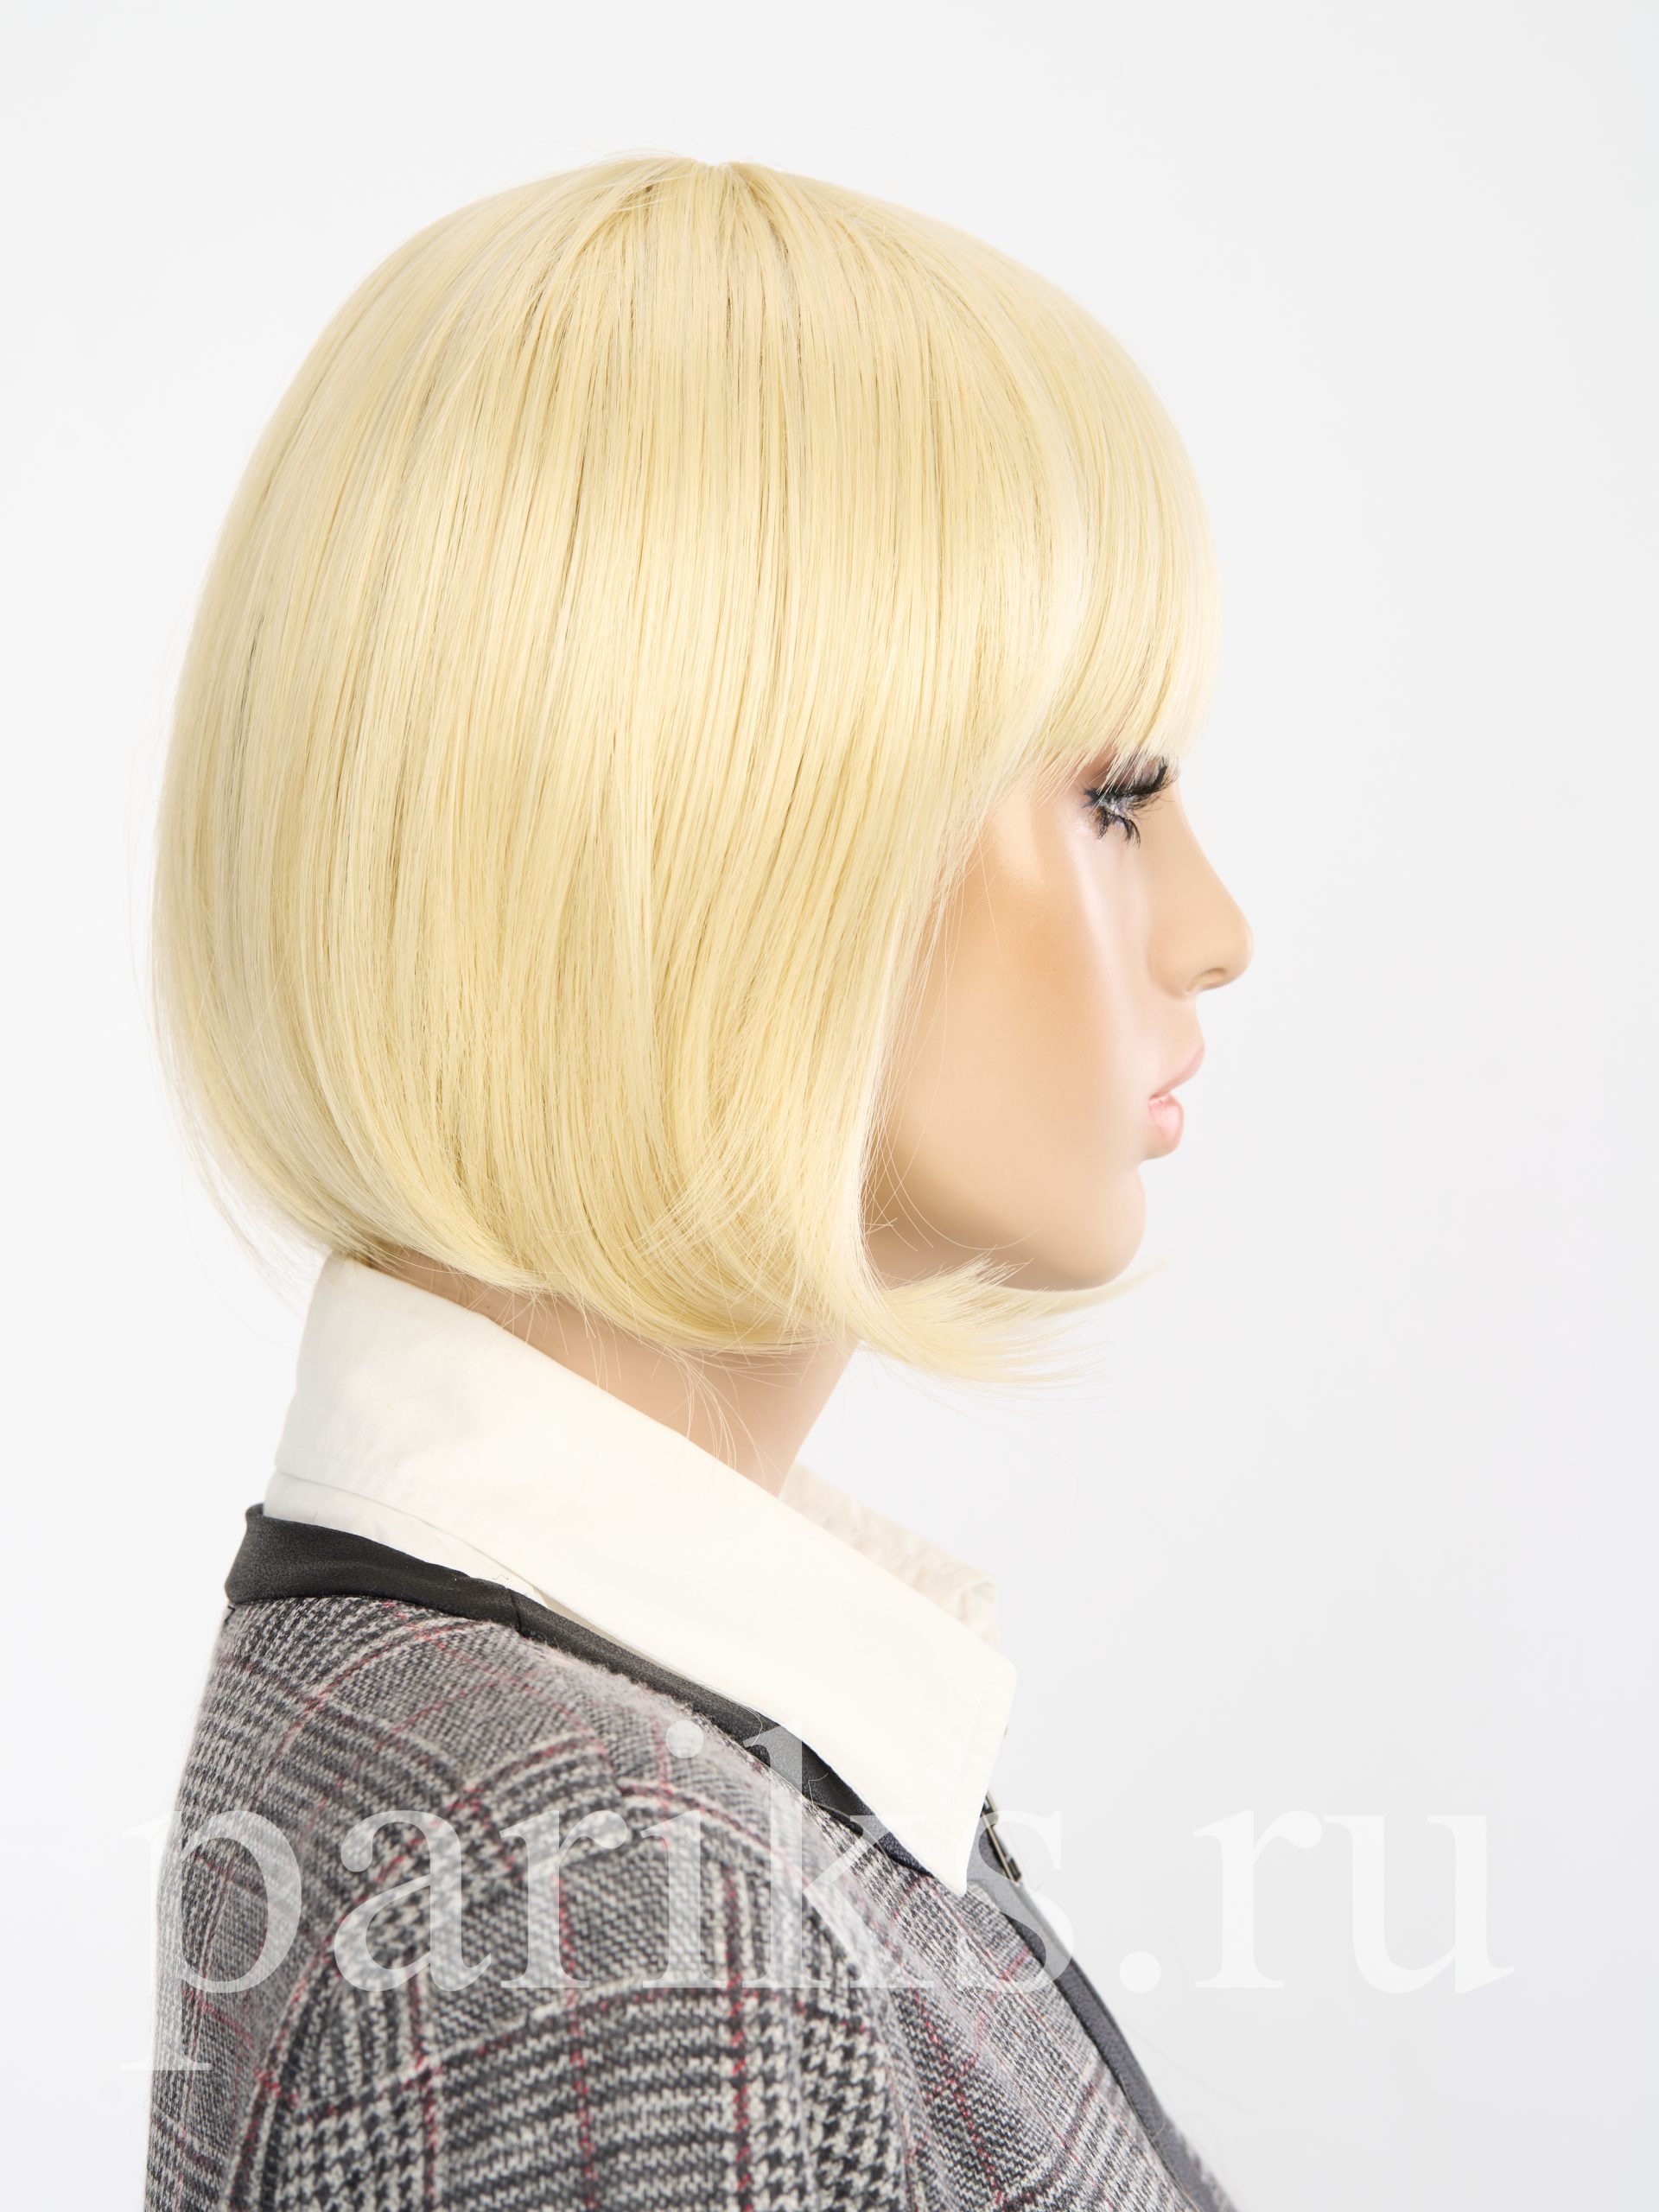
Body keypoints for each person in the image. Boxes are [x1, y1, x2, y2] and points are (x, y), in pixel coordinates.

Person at [143, 152, 1253, 2210]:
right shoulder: (611, 1908)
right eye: (1115, 798)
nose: (1215, 929)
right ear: (742, 849)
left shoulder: (574, 1762)